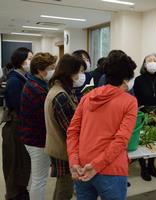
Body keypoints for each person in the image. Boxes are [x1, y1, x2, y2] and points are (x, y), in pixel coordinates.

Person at [67, 50, 138, 200]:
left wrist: (73, 161)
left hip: (82, 166)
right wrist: (97, 165)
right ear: (126, 79)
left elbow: (72, 132)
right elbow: (121, 140)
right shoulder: (129, 101)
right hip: (111, 169)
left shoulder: (87, 97)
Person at [44, 54, 85, 200]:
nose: (80, 76)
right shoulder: (60, 95)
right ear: (70, 72)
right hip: (63, 149)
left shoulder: (61, 89)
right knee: (65, 188)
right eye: (79, 72)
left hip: (59, 146)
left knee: (63, 186)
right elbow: (70, 129)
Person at [18, 52, 57, 199]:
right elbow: (45, 116)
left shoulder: (36, 84)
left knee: (35, 177)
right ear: (41, 70)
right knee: (39, 180)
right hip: (37, 140)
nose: (53, 70)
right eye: (51, 67)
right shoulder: (37, 90)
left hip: (32, 138)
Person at [2, 47, 33, 200]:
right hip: (15, 126)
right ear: (21, 61)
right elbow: (18, 105)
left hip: (21, 126)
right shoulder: (14, 80)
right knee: (14, 161)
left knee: (22, 161)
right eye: (29, 59)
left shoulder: (24, 76)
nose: (31, 62)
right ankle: (14, 193)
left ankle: (21, 189)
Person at [133, 53, 156, 181]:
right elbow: (135, 99)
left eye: (155, 60)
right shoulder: (138, 80)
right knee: (142, 141)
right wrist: (143, 113)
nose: (152, 62)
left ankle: (152, 166)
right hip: (143, 115)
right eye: (149, 60)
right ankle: (143, 167)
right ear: (144, 64)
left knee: (154, 141)